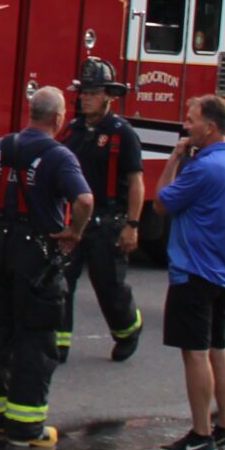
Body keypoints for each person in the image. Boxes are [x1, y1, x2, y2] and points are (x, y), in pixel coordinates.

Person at [0, 86, 94, 449]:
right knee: (36, 340)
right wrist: (74, 233)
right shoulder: (59, 156)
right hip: (36, 254)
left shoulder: (5, 145)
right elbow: (83, 199)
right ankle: (25, 429)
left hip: (1, 249)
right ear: (57, 118)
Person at [151, 95, 225, 450]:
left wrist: (175, 158)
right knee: (219, 346)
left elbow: (162, 202)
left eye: (191, 121)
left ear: (210, 127)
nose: (185, 126)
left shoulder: (203, 168)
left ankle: (200, 435)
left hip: (194, 271)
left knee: (195, 353)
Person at [60, 59, 147, 362]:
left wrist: (132, 225)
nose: (85, 97)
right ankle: (59, 344)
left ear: (109, 96)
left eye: (93, 92)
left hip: (108, 222)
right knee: (61, 282)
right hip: (75, 220)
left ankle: (128, 330)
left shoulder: (122, 133)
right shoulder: (73, 130)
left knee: (109, 286)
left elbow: (136, 182)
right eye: (83, 92)